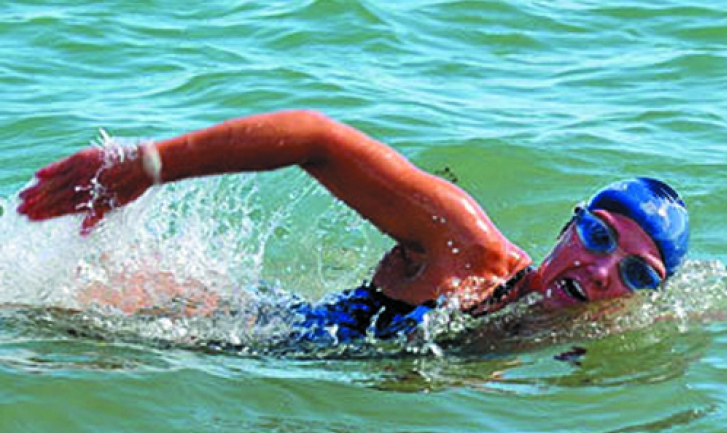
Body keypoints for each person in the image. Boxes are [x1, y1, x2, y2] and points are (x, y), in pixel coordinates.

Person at [16, 110, 690, 345]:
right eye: (599, 236)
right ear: (570, 227)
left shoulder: (589, 334)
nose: (603, 269)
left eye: (636, 272)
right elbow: (317, 138)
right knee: (37, 319)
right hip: (245, 333)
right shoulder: (469, 252)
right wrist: (149, 165)